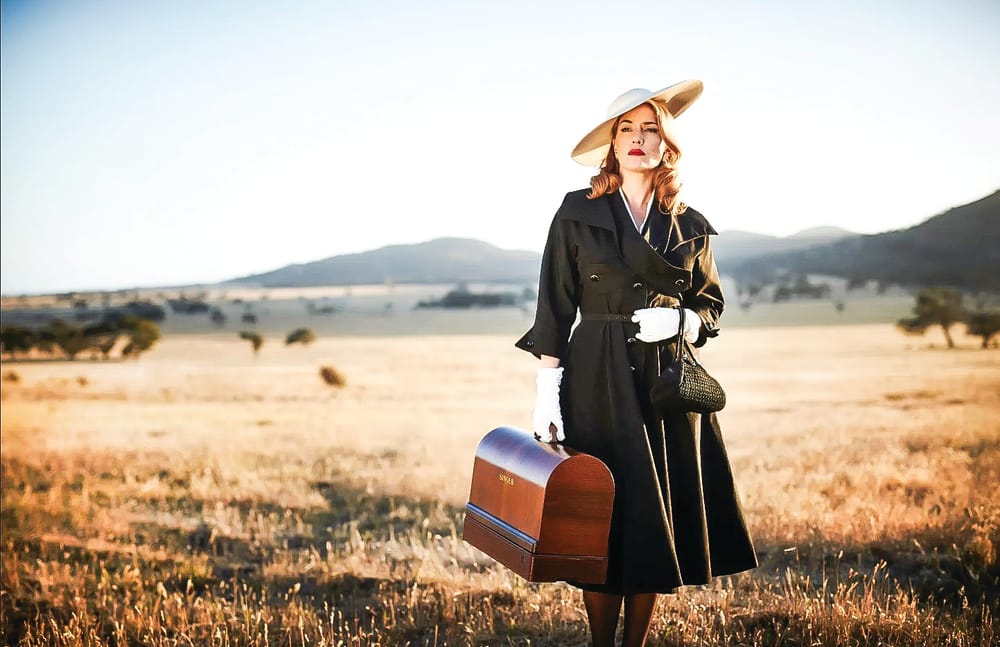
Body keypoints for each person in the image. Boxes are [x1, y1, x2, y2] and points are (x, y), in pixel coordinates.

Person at [515, 80, 757, 647]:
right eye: (627, 129)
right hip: (595, 373)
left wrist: (684, 323)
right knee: (602, 516)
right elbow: (554, 304)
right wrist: (547, 390)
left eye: (650, 129)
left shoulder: (689, 223)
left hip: (665, 380)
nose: (638, 140)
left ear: (666, 143)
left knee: (653, 517)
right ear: (612, 143)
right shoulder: (578, 212)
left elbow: (710, 303)